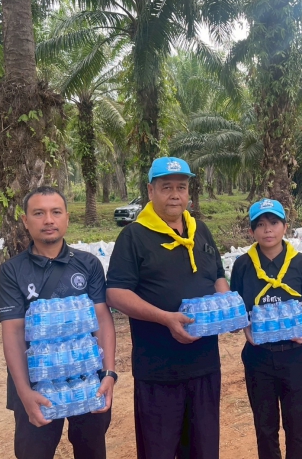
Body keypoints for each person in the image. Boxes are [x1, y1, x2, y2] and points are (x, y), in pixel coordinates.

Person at [106, 157, 229, 459]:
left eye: (181, 187)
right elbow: (116, 293)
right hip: (158, 370)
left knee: (204, 450)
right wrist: (164, 318)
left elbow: (217, 276)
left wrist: (226, 307)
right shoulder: (133, 236)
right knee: (158, 450)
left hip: (204, 365)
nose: (175, 194)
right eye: (167, 187)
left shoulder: (200, 230)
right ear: (151, 191)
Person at [0, 186, 116, 459]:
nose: (48, 220)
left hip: (86, 378)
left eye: (56, 212)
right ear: (25, 220)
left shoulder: (88, 264)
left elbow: (102, 319)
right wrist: (24, 392)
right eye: (39, 213)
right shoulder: (12, 270)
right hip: (36, 383)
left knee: (91, 450)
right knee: (34, 452)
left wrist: (108, 373)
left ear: (67, 218)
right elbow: (13, 331)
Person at [230, 198, 302, 459]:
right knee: (265, 427)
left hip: (295, 355)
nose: (267, 229)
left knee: (297, 425)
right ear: (251, 231)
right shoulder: (243, 265)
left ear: (285, 227)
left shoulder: (301, 263)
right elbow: (237, 309)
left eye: (273, 222)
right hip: (258, 357)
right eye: (260, 224)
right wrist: (245, 329)